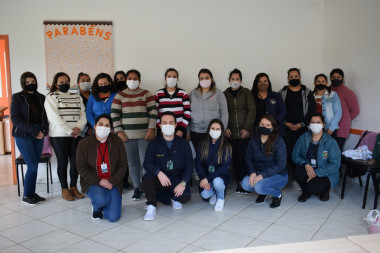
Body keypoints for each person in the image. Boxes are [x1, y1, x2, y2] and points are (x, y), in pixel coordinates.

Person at [111, 69, 158, 200]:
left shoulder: (146, 94)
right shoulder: (120, 95)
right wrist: (119, 131)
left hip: (145, 135)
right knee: (132, 163)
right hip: (127, 136)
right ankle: (137, 187)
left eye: (135, 78)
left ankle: (147, 186)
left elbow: (153, 112)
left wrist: (151, 129)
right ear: (126, 80)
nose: (132, 81)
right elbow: (114, 114)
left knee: (146, 162)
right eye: (130, 78)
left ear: (139, 80)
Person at [142, 111, 193, 220]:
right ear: (160, 125)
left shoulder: (183, 143)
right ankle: (151, 205)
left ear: (175, 125)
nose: (168, 125)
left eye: (171, 122)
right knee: (147, 178)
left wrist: (183, 183)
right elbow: (147, 163)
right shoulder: (154, 143)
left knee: (184, 197)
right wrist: (158, 172)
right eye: (164, 123)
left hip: (177, 178)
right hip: (161, 178)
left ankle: (171, 197)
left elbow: (189, 165)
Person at [76, 114, 128, 222]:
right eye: (100, 124)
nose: (103, 127)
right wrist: (100, 181)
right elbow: (81, 168)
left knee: (113, 217)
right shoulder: (84, 143)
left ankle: (107, 199)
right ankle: (97, 207)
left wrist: (111, 181)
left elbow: (123, 165)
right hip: (93, 182)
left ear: (110, 129)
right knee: (101, 199)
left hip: (113, 182)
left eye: (107, 125)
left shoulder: (117, 141)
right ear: (94, 126)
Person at [44, 72, 87, 201]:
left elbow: (82, 114)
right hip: (59, 135)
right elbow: (53, 117)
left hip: (75, 135)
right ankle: (64, 189)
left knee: (75, 162)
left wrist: (78, 128)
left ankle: (74, 187)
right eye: (61, 82)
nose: (64, 84)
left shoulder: (77, 97)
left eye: (67, 82)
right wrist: (70, 130)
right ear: (56, 84)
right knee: (62, 162)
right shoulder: (51, 97)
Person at [11, 72, 49, 204]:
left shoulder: (41, 97)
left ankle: (32, 193)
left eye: (32, 81)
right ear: (23, 84)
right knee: (32, 165)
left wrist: (44, 131)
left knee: (34, 165)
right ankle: (26, 195)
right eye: (27, 82)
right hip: (23, 134)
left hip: (39, 133)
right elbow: (15, 118)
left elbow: (45, 117)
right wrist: (34, 131)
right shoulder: (17, 97)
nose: (30, 84)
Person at [241, 114, 288, 208]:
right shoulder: (254, 140)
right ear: (258, 125)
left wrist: (262, 175)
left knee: (259, 187)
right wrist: (252, 172)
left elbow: (281, 164)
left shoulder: (279, 141)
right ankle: (264, 192)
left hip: (278, 174)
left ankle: (277, 195)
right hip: (258, 172)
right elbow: (248, 158)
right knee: (245, 184)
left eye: (268, 125)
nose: (264, 127)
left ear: (273, 128)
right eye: (262, 124)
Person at [292, 113, 341, 202]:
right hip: (309, 168)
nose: (315, 125)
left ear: (323, 124)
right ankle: (305, 193)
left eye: (318, 122)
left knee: (314, 187)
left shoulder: (331, 142)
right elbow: (295, 155)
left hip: (325, 172)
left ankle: (325, 191)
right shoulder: (303, 138)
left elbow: (335, 164)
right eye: (312, 122)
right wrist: (306, 165)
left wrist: (316, 173)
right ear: (309, 124)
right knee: (297, 172)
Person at [279, 68, 316, 181]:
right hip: (287, 128)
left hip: (303, 129)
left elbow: (312, 110)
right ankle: (291, 177)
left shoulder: (307, 92)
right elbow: (279, 110)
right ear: (288, 78)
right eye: (291, 77)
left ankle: (300, 177)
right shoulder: (282, 92)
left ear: (300, 77)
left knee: (302, 153)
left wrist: (302, 124)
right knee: (289, 152)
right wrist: (285, 123)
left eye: (296, 76)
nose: (294, 78)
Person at [223, 68, 255, 193]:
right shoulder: (225, 94)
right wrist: (225, 128)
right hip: (231, 134)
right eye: (232, 79)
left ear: (241, 80)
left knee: (245, 158)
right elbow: (223, 112)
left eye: (237, 79)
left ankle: (248, 182)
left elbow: (252, 110)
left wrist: (246, 128)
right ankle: (240, 182)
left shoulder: (246, 92)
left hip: (245, 133)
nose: (235, 81)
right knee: (235, 159)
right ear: (229, 80)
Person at [188, 68, 229, 152]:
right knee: (199, 156)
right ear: (199, 80)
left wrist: (221, 130)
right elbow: (187, 113)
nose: (204, 80)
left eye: (206, 78)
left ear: (211, 79)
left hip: (213, 132)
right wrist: (187, 131)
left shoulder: (219, 94)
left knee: (212, 156)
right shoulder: (192, 94)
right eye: (201, 78)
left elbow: (224, 114)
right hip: (196, 132)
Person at [195, 119, 232, 211]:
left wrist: (208, 179)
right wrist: (204, 178)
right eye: (213, 128)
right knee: (204, 195)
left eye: (217, 129)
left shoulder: (226, 146)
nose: (215, 131)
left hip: (220, 177)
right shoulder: (202, 144)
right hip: (207, 176)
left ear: (221, 131)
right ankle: (214, 192)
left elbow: (224, 168)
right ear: (209, 129)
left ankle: (220, 197)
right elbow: (198, 162)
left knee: (217, 182)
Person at [155, 68, 191, 137]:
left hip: (179, 129)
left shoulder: (183, 93)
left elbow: (187, 113)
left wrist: (181, 130)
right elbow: (155, 113)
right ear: (165, 79)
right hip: (163, 129)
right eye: (169, 76)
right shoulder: (158, 94)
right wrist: (161, 128)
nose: (171, 78)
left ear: (177, 79)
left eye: (174, 77)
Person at [330, 68, 360, 151]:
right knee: (326, 152)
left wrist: (344, 120)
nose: (336, 79)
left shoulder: (348, 92)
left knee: (336, 152)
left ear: (342, 78)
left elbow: (355, 111)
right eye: (333, 77)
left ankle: (337, 164)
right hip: (328, 128)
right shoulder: (326, 90)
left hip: (341, 129)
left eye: (338, 77)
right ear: (330, 78)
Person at [113, 71, 133, 190]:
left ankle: (125, 180)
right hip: (115, 129)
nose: (120, 80)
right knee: (117, 158)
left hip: (127, 131)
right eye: (117, 79)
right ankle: (118, 181)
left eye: (122, 78)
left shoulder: (130, 93)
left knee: (125, 158)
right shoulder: (114, 94)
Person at [251, 73, 287, 137]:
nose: (263, 84)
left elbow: (283, 111)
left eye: (265, 81)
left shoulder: (275, 95)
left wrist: (275, 122)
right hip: (257, 129)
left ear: (268, 82)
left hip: (273, 129)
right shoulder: (251, 96)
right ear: (256, 83)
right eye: (260, 82)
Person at [77, 72, 92, 137]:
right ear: (78, 84)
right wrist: (86, 128)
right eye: (83, 81)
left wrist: (92, 127)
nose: (86, 83)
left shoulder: (95, 96)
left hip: (94, 128)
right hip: (80, 130)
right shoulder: (75, 97)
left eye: (88, 81)